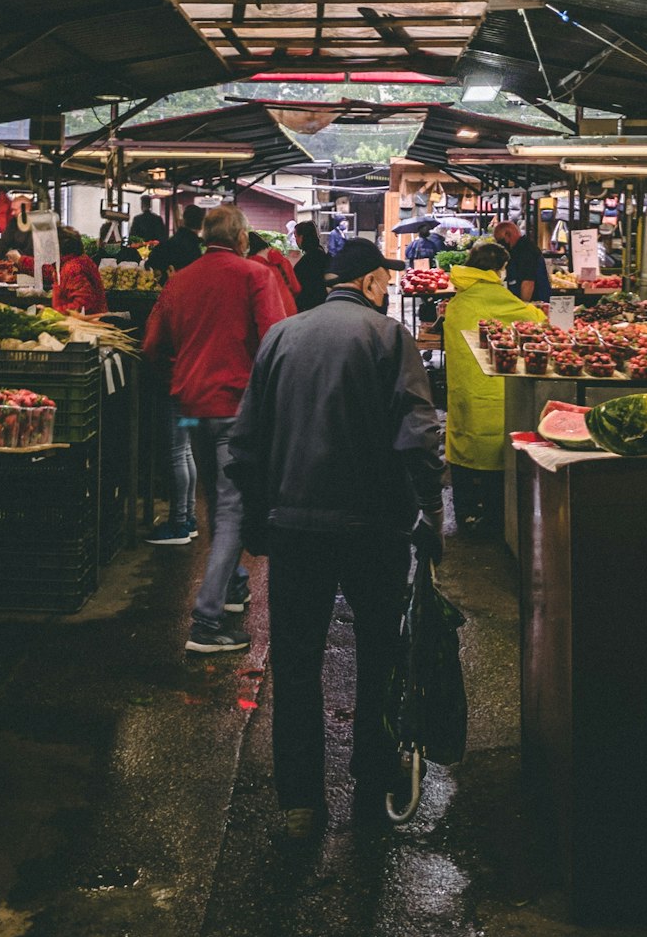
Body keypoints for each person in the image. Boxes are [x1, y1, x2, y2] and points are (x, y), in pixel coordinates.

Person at [228, 237, 444, 841]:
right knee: (380, 653)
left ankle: (300, 804)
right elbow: (418, 433)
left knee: (296, 662)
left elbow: (245, 440)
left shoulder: (282, 336)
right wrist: (429, 506)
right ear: (374, 282)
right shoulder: (387, 336)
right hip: (375, 528)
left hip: (294, 525)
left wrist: (255, 514)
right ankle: (371, 788)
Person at [142, 205, 286, 644]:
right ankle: (207, 620)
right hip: (236, 409)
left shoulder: (178, 280)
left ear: (204, 237)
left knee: (216, 502)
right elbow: (277, 341)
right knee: (231, 509)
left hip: (191, 406)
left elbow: (151, 346)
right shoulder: (254, 276)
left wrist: (182, 373)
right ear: (242, 238)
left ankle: (234, 582)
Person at [443, 240, 544, 529]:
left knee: (465, 442)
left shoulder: (457, 303)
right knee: (493, 447)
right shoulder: (500, 297)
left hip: (464, 392)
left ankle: (465, 513)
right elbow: (535, 318)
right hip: (494, 394)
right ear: (499, 269)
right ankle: (494, 517)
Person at [492, 218, 551, 304]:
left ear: (508, 235)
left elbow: (528, 283)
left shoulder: (526, 250)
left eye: (500, 241)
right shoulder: (516, 249)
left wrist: (523, 307)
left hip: (536, 303)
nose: (501, 245)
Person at [51, 228, 108, 315]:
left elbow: (83, 303)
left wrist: (56, 313)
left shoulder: (73, 268)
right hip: (93, 319)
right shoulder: (80, 260)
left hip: (85, 323)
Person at [247, 231, 300, 318]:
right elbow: (296, 288)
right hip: (290, 310)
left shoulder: (251, 265)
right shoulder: (283, 260)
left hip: (269, 313)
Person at [148, 203, 204, 278]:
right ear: (201, 225)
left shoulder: (168, 244)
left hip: (166, 287)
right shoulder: (196, 250)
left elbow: (151, 262)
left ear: (184, 220)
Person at [293, 220, 330, 313]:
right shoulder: (320, 253)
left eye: (296, 237)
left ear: (302, 237)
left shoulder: (310, 258)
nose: (296, 240)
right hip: (322, 304)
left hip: (310, 308)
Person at [0, 195, 34, 259]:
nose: (12, 213)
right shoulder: (14, 221)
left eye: (15, 210)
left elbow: (31, 250)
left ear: (26, 210)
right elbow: (3, 242)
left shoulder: (37, 223)